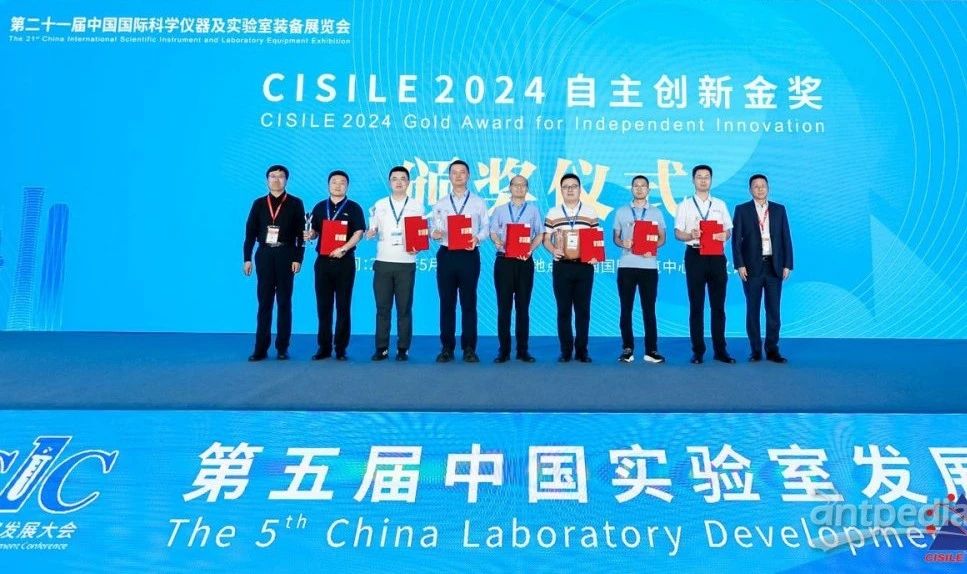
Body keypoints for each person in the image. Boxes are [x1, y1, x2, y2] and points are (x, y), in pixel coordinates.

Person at [242, 164, 305, 361]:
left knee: (284, 303)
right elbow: (250, 233)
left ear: (286, 180)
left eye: (280, 176)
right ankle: (260, 348)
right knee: (264, 303)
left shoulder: (295, 203)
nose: (276, 180)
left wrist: (298, 258)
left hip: (286, 254)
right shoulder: (259, 203)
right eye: (272, 176)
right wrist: (247, 258)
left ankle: (282, 348)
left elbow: (301, 235)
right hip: (264, 255)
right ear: (267, 180)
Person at [674, 164, 735, 364]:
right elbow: (677, 233)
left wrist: (724, 235)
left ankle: (720, 350)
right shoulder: (685, 205)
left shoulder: (720, 204)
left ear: (711, 180)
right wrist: (690, 235)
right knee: (696, 306)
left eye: (706, 176)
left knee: (718, 306)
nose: (703, 180)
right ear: (693, 180)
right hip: (695, 256)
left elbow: (728, 230)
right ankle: (698, 351)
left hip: (716, 257)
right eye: (699, 176)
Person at [430, 159, 490, 363]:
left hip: (468, 255)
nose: (458, 176)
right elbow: (434, 228)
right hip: (446, 254)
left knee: (468, 302)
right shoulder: (440, 203)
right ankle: (447, 347)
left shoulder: (478, 202)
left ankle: (469, 348)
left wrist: (477, 238)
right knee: (447, 303)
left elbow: (486, 227)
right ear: (449, 176)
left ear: (468, 176)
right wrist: (434, 233)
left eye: (462, 172)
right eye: (454, 172)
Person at [366, 166, 426, 361]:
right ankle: (381, 348)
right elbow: (372, 228)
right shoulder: (380, 204)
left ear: (408, 182)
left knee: (404, 308)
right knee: (382, 308)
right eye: (394, 179)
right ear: (389, 182)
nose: (399, 182)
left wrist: (418, 246)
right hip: (383, 262)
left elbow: (421, 233)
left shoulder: (417, 205)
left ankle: (403, 348)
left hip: (406, 263)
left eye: (403, 178)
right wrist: (370, 232)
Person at [732, 174, 793, 363]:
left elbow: (786, 237)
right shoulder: (742, 210)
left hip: (774, 266)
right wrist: (739, 264)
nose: (760, 189)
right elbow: (736, 240)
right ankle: (756, 350)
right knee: (753, 310)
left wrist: (788, 264)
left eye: (763, 185)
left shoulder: (779, 209)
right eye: (756, 186)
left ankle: (773, 350)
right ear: (750, 189)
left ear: (768, 188)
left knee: (774, 311)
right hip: (751, 268)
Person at [305, 170, 365, 361]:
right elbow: (315, 231)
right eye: (334, 182)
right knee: (323, 306)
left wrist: (344, 248)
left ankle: (340, 348)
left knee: (343, 306)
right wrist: (311, 234)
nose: (338, 185)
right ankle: (323, 347)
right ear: (328, 185)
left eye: (342, 182)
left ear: (347, 186)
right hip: (323, 262)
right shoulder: (319, 207)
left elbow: (359, 233)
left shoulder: (354, 207)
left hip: (344, 262)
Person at [543, 173, 600, 363]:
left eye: (573, 186)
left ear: (580, 189)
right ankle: (566, 351)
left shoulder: (590, 212)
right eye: (566, 186)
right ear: (561, 190)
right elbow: (546, 239)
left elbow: (596, 239)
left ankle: (582, 350)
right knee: (564, 310)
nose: (570, 190)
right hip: (562, 267)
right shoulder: (553, 213)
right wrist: (554, 250)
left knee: (583, 311)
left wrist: (595, 255)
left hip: (584, 267)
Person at [489, 175, 544, 363]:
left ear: (527, 189)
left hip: (524, 262)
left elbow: (540, 234)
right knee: (504, 308)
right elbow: (493, 231)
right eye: (516, 185)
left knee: (523, 308)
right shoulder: (500, 210)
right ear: (509, 188)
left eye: (523, 185)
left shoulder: (534, 210)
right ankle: (503, 351)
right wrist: (497, 242)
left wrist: (530, 249)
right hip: (504, 262)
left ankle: (522, 350)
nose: (519, 188)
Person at [612, 175, 666, 364]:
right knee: (626, 308)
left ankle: (651, 350)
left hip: (648, 266)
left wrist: (653, 248)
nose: (640, 188)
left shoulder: (656, 212)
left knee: (649, 309)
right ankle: (627, 349)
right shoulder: (621, 211)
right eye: (636, 185)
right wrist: (623, 243)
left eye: (643, 186)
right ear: (632, 189)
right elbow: (615, 237)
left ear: (648, 190)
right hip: (626, 265)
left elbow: (662, 237)